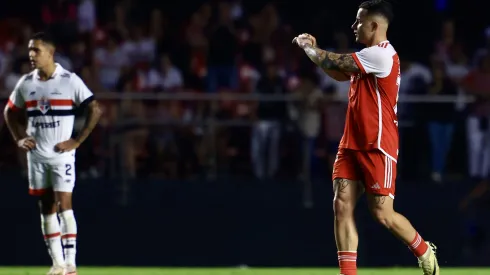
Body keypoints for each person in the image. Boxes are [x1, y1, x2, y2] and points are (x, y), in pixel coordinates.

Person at [292, 1, 439, 275]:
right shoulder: (367, 56)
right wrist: (316, 53)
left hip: (378, 145)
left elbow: (331, 60)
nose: (353, 26)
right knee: (341, 203)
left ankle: (423, 249)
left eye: (358, 21)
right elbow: (336, 72)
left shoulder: (382, 55)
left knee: (382, 214)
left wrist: (307, 46)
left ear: (373, 25)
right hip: (352, 142)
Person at [3, 32, 102, 275]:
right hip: (36, 157)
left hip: (62, 156)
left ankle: (71, 264)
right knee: (46, 208)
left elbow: (95, 109)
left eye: (36, 50)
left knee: (65, 205)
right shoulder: (26, 82)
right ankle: (57, 264)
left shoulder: (69, 80)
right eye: (29, 50)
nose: (31, 55)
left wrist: (76, 141)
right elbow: (9, 112)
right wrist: (19, 138)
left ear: (50, 52)